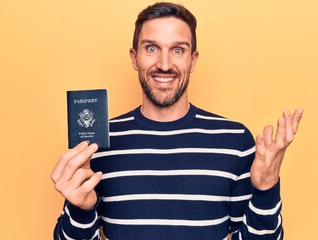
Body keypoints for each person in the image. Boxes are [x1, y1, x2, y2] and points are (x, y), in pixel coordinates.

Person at [51, 2, 303, 240]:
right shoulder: (98, 145)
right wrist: (80, 209)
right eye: (151, 48)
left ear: (192, 60)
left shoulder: (235, 141)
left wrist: (266, 189)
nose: (164, 64)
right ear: (134, 57)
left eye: (178, 50)